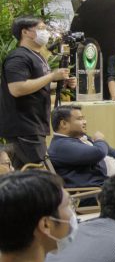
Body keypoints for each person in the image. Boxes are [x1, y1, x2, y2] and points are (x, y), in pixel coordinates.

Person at [1, 17, 74, 169]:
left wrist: (60, 83)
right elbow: (17, 88)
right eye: (41, 28)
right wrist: (51, 76)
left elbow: (36, 84)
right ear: (25, 32)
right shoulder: (18, 57)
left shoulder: (37, 56)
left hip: (34, 125)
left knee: (24, 174)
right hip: (23, 127)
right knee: (39, 172)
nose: (45, 32)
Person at [47, 105, 115, 189]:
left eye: (84, 118)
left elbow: (109, 151)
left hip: (108, 185)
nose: (85, 122)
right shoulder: (61, 146)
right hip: (95, 193)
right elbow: (99, 152)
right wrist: (99, 140)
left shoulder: (77, 139)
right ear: (63, 124)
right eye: (80, 119)